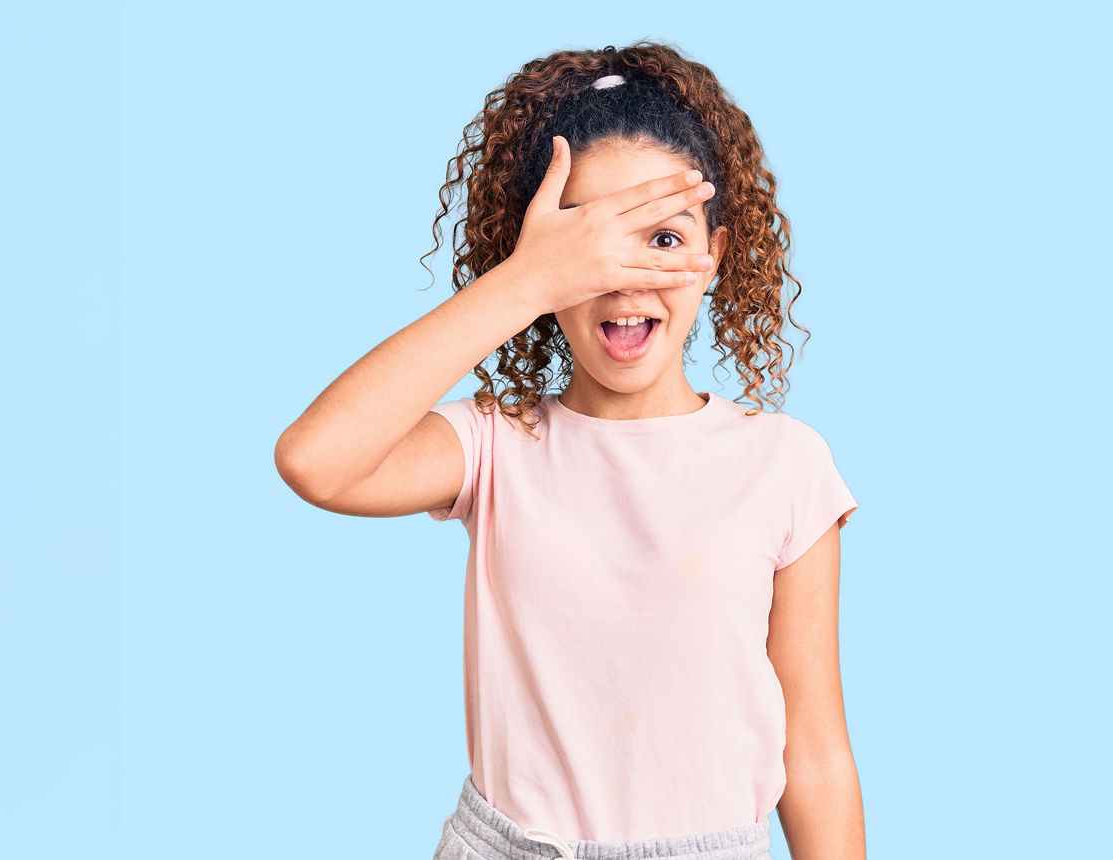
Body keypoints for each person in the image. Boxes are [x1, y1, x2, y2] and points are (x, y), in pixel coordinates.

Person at [276, 40, 864, 860]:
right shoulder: (493, 444)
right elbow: (316, 460)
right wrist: (525, 282)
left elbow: (816, 751)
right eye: (587, 245)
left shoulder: (787, 465)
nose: (623, 276)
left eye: (661, 238)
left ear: (716, 256)